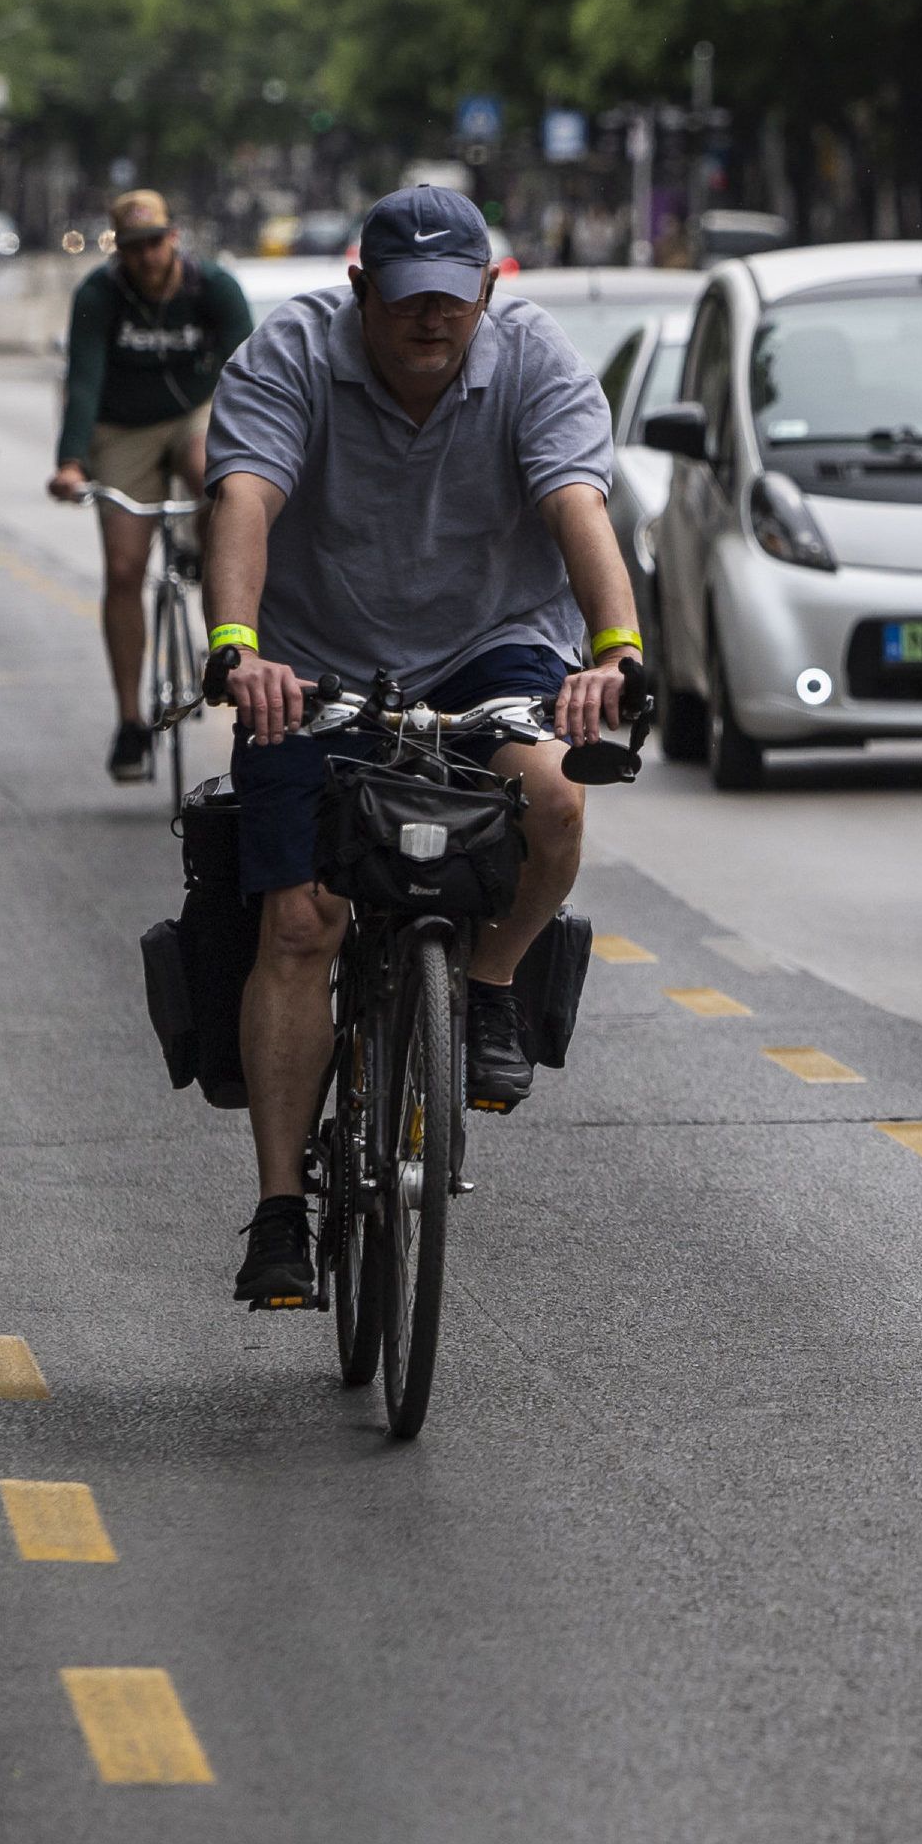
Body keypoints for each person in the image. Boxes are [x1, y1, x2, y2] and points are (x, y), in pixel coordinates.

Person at [199, 185, 641, 1309]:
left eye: (453, 300)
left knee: (556, 801)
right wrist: (239, 646)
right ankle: (280, 1210)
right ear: (361, 293)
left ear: (489, 293)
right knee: (301, 922)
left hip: (490, 647)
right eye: (406, 302)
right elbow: (245, 494)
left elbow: (577, 503)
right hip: (311, 662)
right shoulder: (291, 350)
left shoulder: (536, 361)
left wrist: (617, 651)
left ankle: (488, 986)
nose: (430, 322)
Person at [49, 190, 256, 781]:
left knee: (217, 477)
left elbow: (252, 370)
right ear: (120, 253)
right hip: (121, 427)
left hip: (195, 411)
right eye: (133, 249)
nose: (146, 258)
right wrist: (70, 461)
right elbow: (83, 380)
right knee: (122, 568)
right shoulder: (100, 294)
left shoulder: (212, 287)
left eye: (156, 243)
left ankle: (206, 561)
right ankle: (130, 722)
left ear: (175, 239)